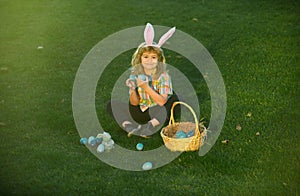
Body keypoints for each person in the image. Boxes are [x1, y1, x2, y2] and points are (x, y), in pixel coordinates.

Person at [107, 23, 179, 138]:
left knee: (174, 98)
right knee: (111, 104)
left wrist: (146, 87)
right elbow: (134, 103)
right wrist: (133, 89)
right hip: (140, 112)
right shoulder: (135, 73)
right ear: (140, 58)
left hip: (156, 112)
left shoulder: (163, 76)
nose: (149, 61)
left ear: (159, 60)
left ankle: (150, 126)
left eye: (153, 57)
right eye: (146, 57)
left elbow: (162, 102)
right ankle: (129, 127)